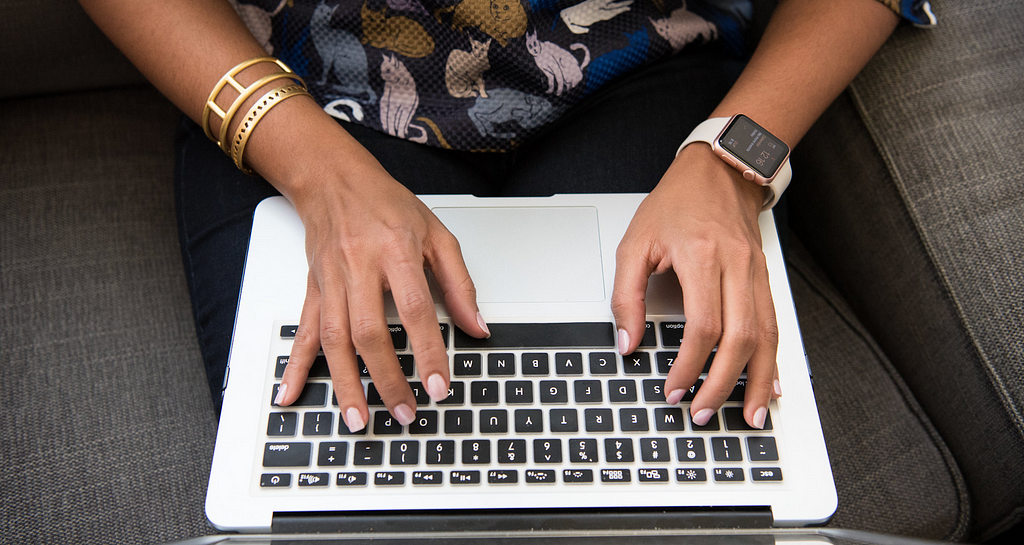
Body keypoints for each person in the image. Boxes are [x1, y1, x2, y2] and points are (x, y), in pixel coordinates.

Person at [78, 0, 928, 432]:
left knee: (672, 461)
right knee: (348, 470)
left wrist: (734, 160)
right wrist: (319, 175)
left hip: (646, 68)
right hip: (308, 88)